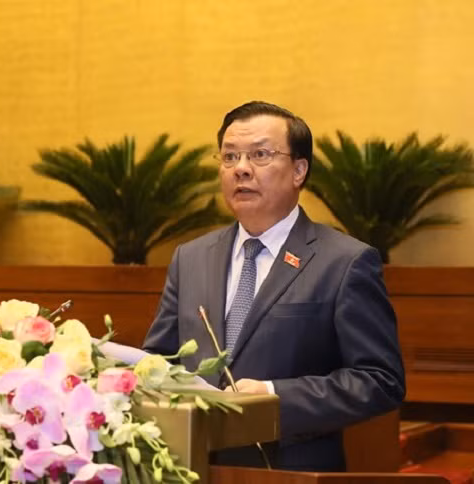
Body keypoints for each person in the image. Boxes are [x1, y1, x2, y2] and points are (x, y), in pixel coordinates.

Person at [142, 101, 405, 471]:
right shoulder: (191, 257)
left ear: (299, 170)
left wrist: (274, 394)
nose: (241, 168)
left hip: (288, 470)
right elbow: (159, 361)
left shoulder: (345, 262)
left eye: (260, 155)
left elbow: (380, 380)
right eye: (229, 156)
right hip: (192, 466)